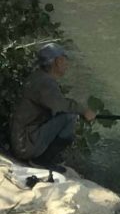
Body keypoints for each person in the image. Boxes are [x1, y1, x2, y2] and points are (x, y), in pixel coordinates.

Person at [8, 43, 95, 172]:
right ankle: (40, 161)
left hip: (23, 138)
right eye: (64, 59)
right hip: (24, 145)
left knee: (64, 115)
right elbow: (61, 106)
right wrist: (84, 111)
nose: (66, 63)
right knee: (69, 117)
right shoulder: (45, 82)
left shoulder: (38, 77)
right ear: (57, 62)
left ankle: (42, 158)